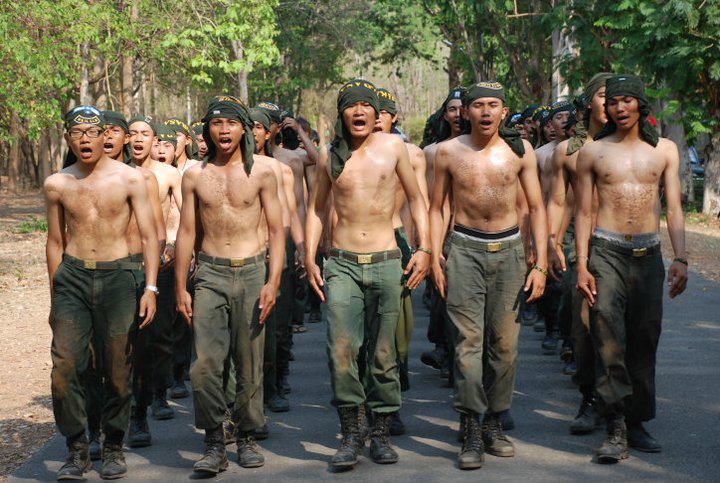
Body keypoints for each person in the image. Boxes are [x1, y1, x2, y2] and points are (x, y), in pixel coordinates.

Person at [305, 79, 430, 471]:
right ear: (341, 114)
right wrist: (309, 256)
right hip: (342, 263)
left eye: (365, 105)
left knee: (383, 352)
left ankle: (380, 433)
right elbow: (317, 209)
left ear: (376, 113)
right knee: (340, 349)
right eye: (350, 105)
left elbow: (416, 198)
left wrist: (425, 248)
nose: (358, 111)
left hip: (386, 260)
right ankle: (351, 433)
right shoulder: (329, 155)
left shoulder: (393, 148)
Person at [430, 82, 547, 470]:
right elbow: (436, 207)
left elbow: (536, 206)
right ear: (465, 112)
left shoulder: (520, 151)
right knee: (467, 343)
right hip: (464, 250)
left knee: (505, 345)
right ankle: (470, 427)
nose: (485, 111)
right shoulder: (448, 152)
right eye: (477, 105)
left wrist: (540, 263)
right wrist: (434, 255)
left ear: (503, 110)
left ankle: (495, 421)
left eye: (492, 104)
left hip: (509, 252)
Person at [575, 74, 688, 463]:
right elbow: (583, 212)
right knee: (607, 334)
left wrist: (681, 258)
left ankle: (637, 421)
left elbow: (674, 208)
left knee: (644, 337)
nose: (619, 108)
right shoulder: (592, 152)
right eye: (613, 102)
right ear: (605, 109)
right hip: (606, 250)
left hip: (648, 254)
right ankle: (615, 424)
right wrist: (582, 265)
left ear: (640, 104)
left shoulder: (664, 151)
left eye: (626, 100)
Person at [45, 106, 159, 480]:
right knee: (65, 366)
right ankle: (77, 447)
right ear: (67, 138)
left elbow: (150, 236)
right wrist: (55, 296)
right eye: (76, 132)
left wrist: (151, 288)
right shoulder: (57, 184)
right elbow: (55, 241)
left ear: (103, 135)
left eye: (92, 132)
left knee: (118, 369)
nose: (85, 139)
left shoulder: (130, 179)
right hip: (73, 278)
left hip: (120, 277)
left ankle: (112, 445)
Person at [175, 95, 284, 473]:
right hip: (210, 274)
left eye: (231, 123)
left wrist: (273, 281)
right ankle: (214, 441)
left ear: (244, 129)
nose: (224, 130)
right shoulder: (194, 175)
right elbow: (186, 232)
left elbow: (277, 230)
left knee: (249, 359)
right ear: (207, 129)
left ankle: (248, 435)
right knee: (204, 364)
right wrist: (179, 287)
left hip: (252, 272)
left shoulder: (263, 173)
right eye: (216, 123)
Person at [546, 73, 613, 435]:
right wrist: (553, 244)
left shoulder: (634, 146)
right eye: (604, 95)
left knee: (625, 332)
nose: (612, 102)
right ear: (589, 102)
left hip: (622, 244)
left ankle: (624, 409)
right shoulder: (569, 150)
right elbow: (561, 202)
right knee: (585, 328)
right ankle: (589, 399)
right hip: (582, 247)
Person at [370, 87, 429, 435]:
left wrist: (423, 247)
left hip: (396, 240)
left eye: (383, 112)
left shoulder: (412, 154)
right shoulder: (346, 153)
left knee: (395, 328)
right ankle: (367, 401)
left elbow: (419, 201)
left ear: (393, 117)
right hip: (356, 245)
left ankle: (390, 400)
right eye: (372, 110)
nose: (377, 117)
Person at [126, 116, 183, 446]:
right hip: (124, 264)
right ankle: (129, 407)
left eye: (144, 134)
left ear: (154, 141)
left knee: (158, 335)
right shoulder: (116, 174)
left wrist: (174, 249)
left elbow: (183, 215)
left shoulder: (167, 174)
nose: (138, 139)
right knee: (128, 342)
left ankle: (158, 394)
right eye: (132, 133)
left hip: (161, 262)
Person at [248, 107, 305, 415]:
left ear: (269, 132)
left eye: (259, 126)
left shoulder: (281, 169)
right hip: (247, 253)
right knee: (251, 325)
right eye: (249, 126)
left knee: (278, 325)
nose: (254, 132)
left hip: (278, 250)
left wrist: (301, 247)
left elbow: (291, 212)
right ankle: (252, 391)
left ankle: (276, 382)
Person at [419, 87, 464, 379]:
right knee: (442, 294)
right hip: (441, 231)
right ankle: (444, 351)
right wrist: (424, 240)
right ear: (444, 115)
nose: (458, 114)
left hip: (471, 231)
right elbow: (426, 199)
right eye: (452, 109)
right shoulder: (432, 152)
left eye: (462, 108)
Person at [535, 101, 574, 352]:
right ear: (550, 123)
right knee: (555, 279)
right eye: (559, 117)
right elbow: (538, 197)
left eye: (569, 116)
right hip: (552, 218)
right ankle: (552, 328)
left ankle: (571, 341)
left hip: (580, 221)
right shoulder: (542, 155)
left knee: (571, 284)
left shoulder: (582, 150)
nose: (564, 121)